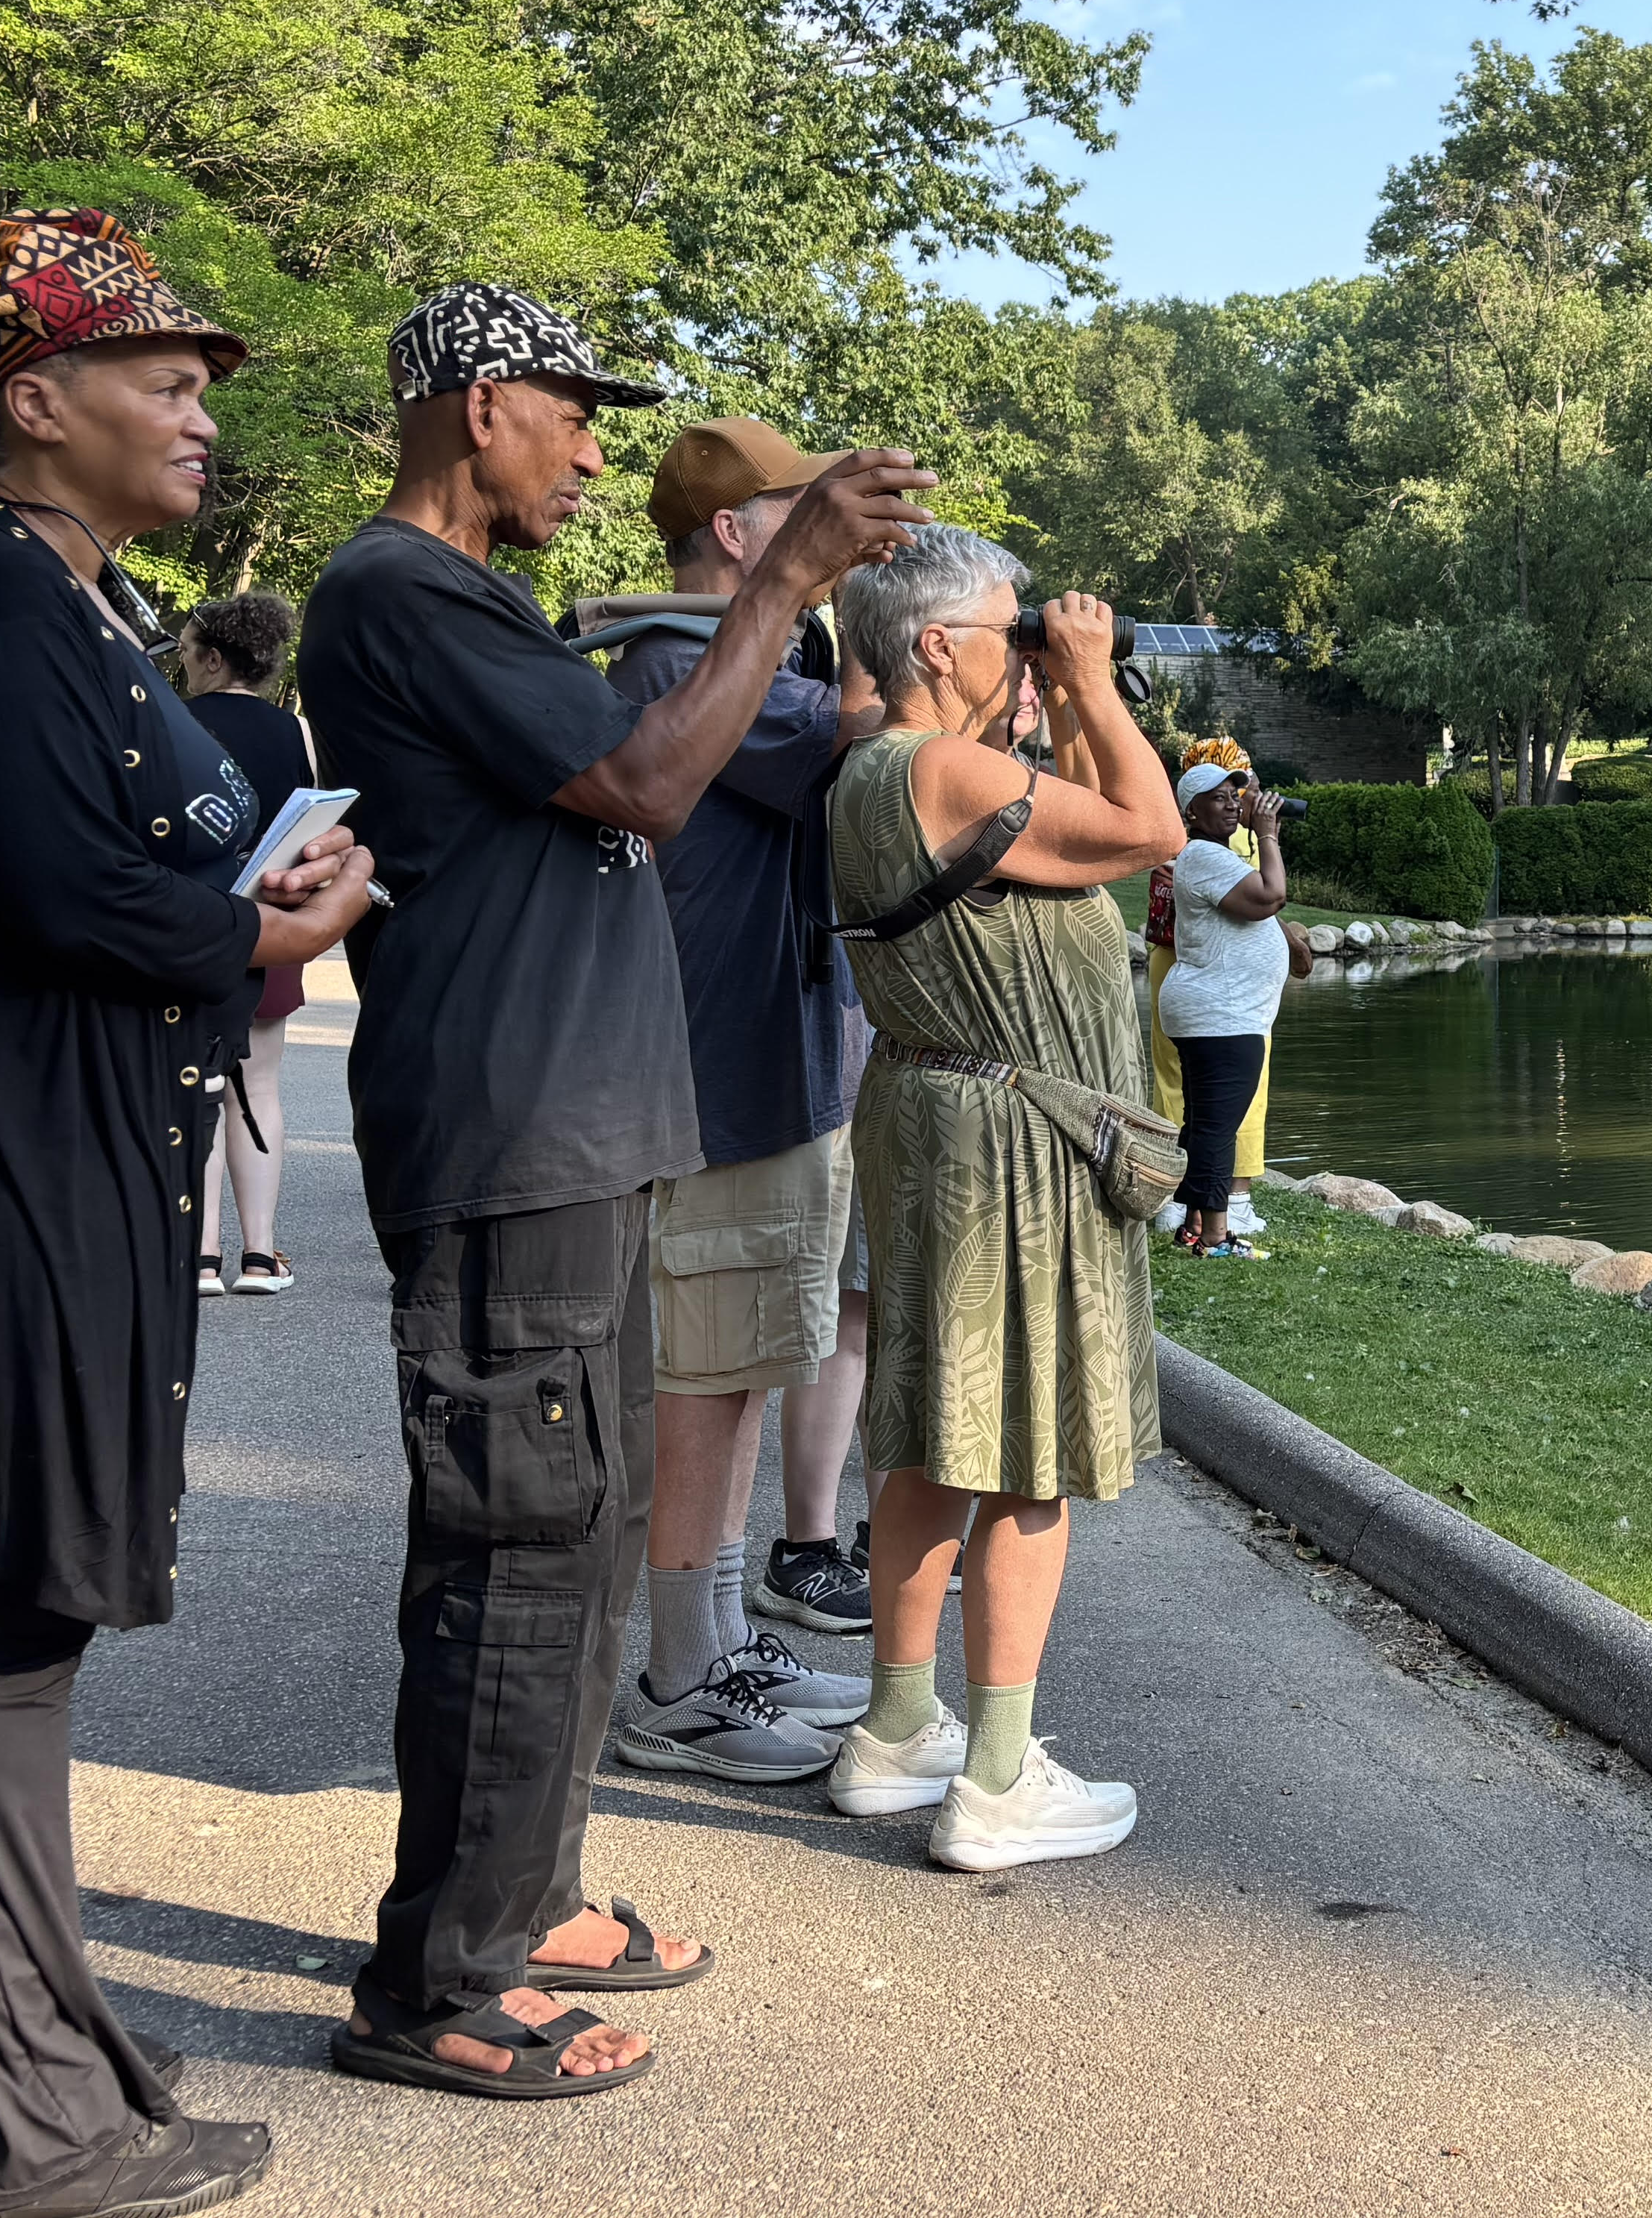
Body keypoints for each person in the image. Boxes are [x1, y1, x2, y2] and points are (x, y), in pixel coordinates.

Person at [0, 210, 375, 2218]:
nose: (201, 410)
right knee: (5, 1613)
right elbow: (58, 886)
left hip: (12, 1164)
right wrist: (260, 927)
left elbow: (104, 852)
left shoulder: (52, 593)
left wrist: (257, 894)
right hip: (2, 1179)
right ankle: (19, 2129)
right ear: (36, 403)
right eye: (167, 377)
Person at [298, 286, 928, 2100]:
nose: (593, 449)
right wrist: (785, 584)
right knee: (509, 1546)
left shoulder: (478, 599)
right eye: (571, 413)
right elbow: (647, 784)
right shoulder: (398, 589)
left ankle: (534, 1888)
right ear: (480, 406)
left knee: (569, 1540)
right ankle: (439, 1983)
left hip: (581, 1138)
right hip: (507, 1139)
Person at [823, 525, 1184, 1867]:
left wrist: (1058, 695)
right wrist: (1088, 678)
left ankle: (896, 1727)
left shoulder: (872, 767)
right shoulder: (946, 763)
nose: (1028, 634)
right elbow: (1151, 830)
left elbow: (1077, 847)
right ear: (935, 644)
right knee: (1028, 1454)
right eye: (1008, 621)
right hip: (1013, 1148)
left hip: (934, 1113)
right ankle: (995, 1778)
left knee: (925, 1433)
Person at [596, 416, 887, 1782]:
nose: (821, 535)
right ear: (732, 530)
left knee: (750, 1355)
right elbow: (862, 742)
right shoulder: (688, 657)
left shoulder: (739, 652)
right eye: (797, 510)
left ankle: (718, 1634)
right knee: (702, 1375)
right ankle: (675, 1679)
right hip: (714, 1089)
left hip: (777, 1080)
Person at [177, 593, 313, 1293]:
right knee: (257, 1086)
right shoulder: (289, 731)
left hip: (190, 926)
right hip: (269, 924)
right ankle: (259, 1257)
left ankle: (198, 1256)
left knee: (193, 1085)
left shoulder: (172, 722)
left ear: (213, 657)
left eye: (187, 649)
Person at [1155, 761, 1292, 1256]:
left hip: (1219, 1012)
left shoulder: (1208, 856)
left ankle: (1193, 1222)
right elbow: (1270, 895)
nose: (1234, 802)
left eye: (1237, 793)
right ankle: (1215, 1237)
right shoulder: (1203, 856)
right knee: (1218, 1127)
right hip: (1222, 1015)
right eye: (1218, 797)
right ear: (1191, 811)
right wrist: (1270, 836)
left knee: (1205, 1122)